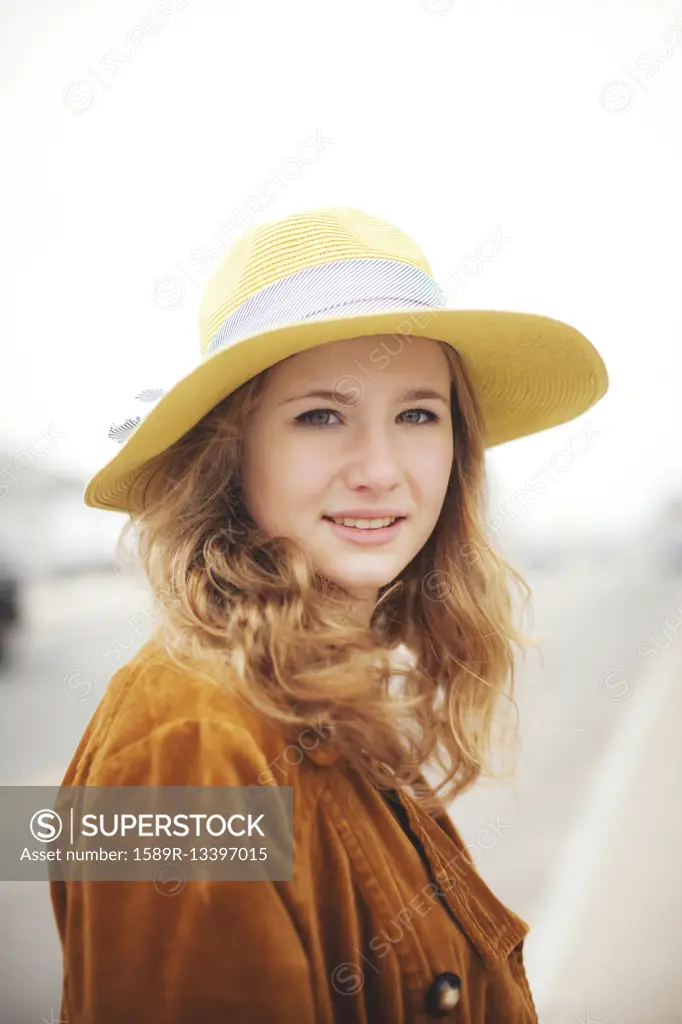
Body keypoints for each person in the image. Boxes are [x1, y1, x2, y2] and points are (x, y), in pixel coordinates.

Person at [49, 205, 609, 1023]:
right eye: (321, 414)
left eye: (418, 413)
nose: (380, 470)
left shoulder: (329, 693)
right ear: (230, 452)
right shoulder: (186, 741)